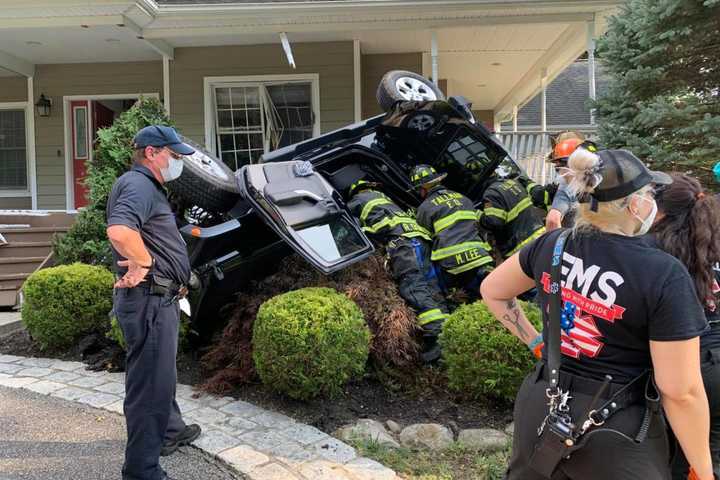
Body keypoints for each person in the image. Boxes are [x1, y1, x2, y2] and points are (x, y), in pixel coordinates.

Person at [480, 148, 714, 480]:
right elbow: (681, 391)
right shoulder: (662, 272)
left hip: (543, 405)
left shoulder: (553, 244)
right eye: (649, 194)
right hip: (618, 430)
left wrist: (537, 344)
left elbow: (493, 291)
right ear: (635, 205)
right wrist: (703, 469)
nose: (652, 203)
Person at [106, 125, 202, 480]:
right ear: (151, 153)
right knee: (150, 387)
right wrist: (144, 263)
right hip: (149, 300)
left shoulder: (147, 187)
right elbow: (119, 230)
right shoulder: (137, 185)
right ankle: (142, 470)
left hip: (158, 299)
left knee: (159, 375)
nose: (177, 162)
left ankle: (170, 430)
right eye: (173, 155)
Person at [646, 173, 720, 478]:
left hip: (691, 371)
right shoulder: (711, 240)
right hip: (715, 366)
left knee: (680, 458)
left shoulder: (652, 252)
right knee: (710, 455)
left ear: (660, 211)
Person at [347, 179, 450, 362]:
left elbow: (360, 229)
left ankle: (437, 339)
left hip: (403, 245)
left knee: (413, 287)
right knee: (432, 286)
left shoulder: (357, 201)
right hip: (420, 241)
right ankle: (449, 330)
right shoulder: (386, 199)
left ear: (356, 191)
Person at [411, 164, 493, 300]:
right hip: (480, 256)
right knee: (491, 294)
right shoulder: (463, 198)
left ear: (423, 188)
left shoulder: (425, 208)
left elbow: (424, 240)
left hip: (453, 264)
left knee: (465, 299)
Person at [478, 163, 546, 259]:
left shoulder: (491, 193)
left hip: (520, 246)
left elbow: (494, 222)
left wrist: (479, 215)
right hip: (540, 234)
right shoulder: (512, 183)